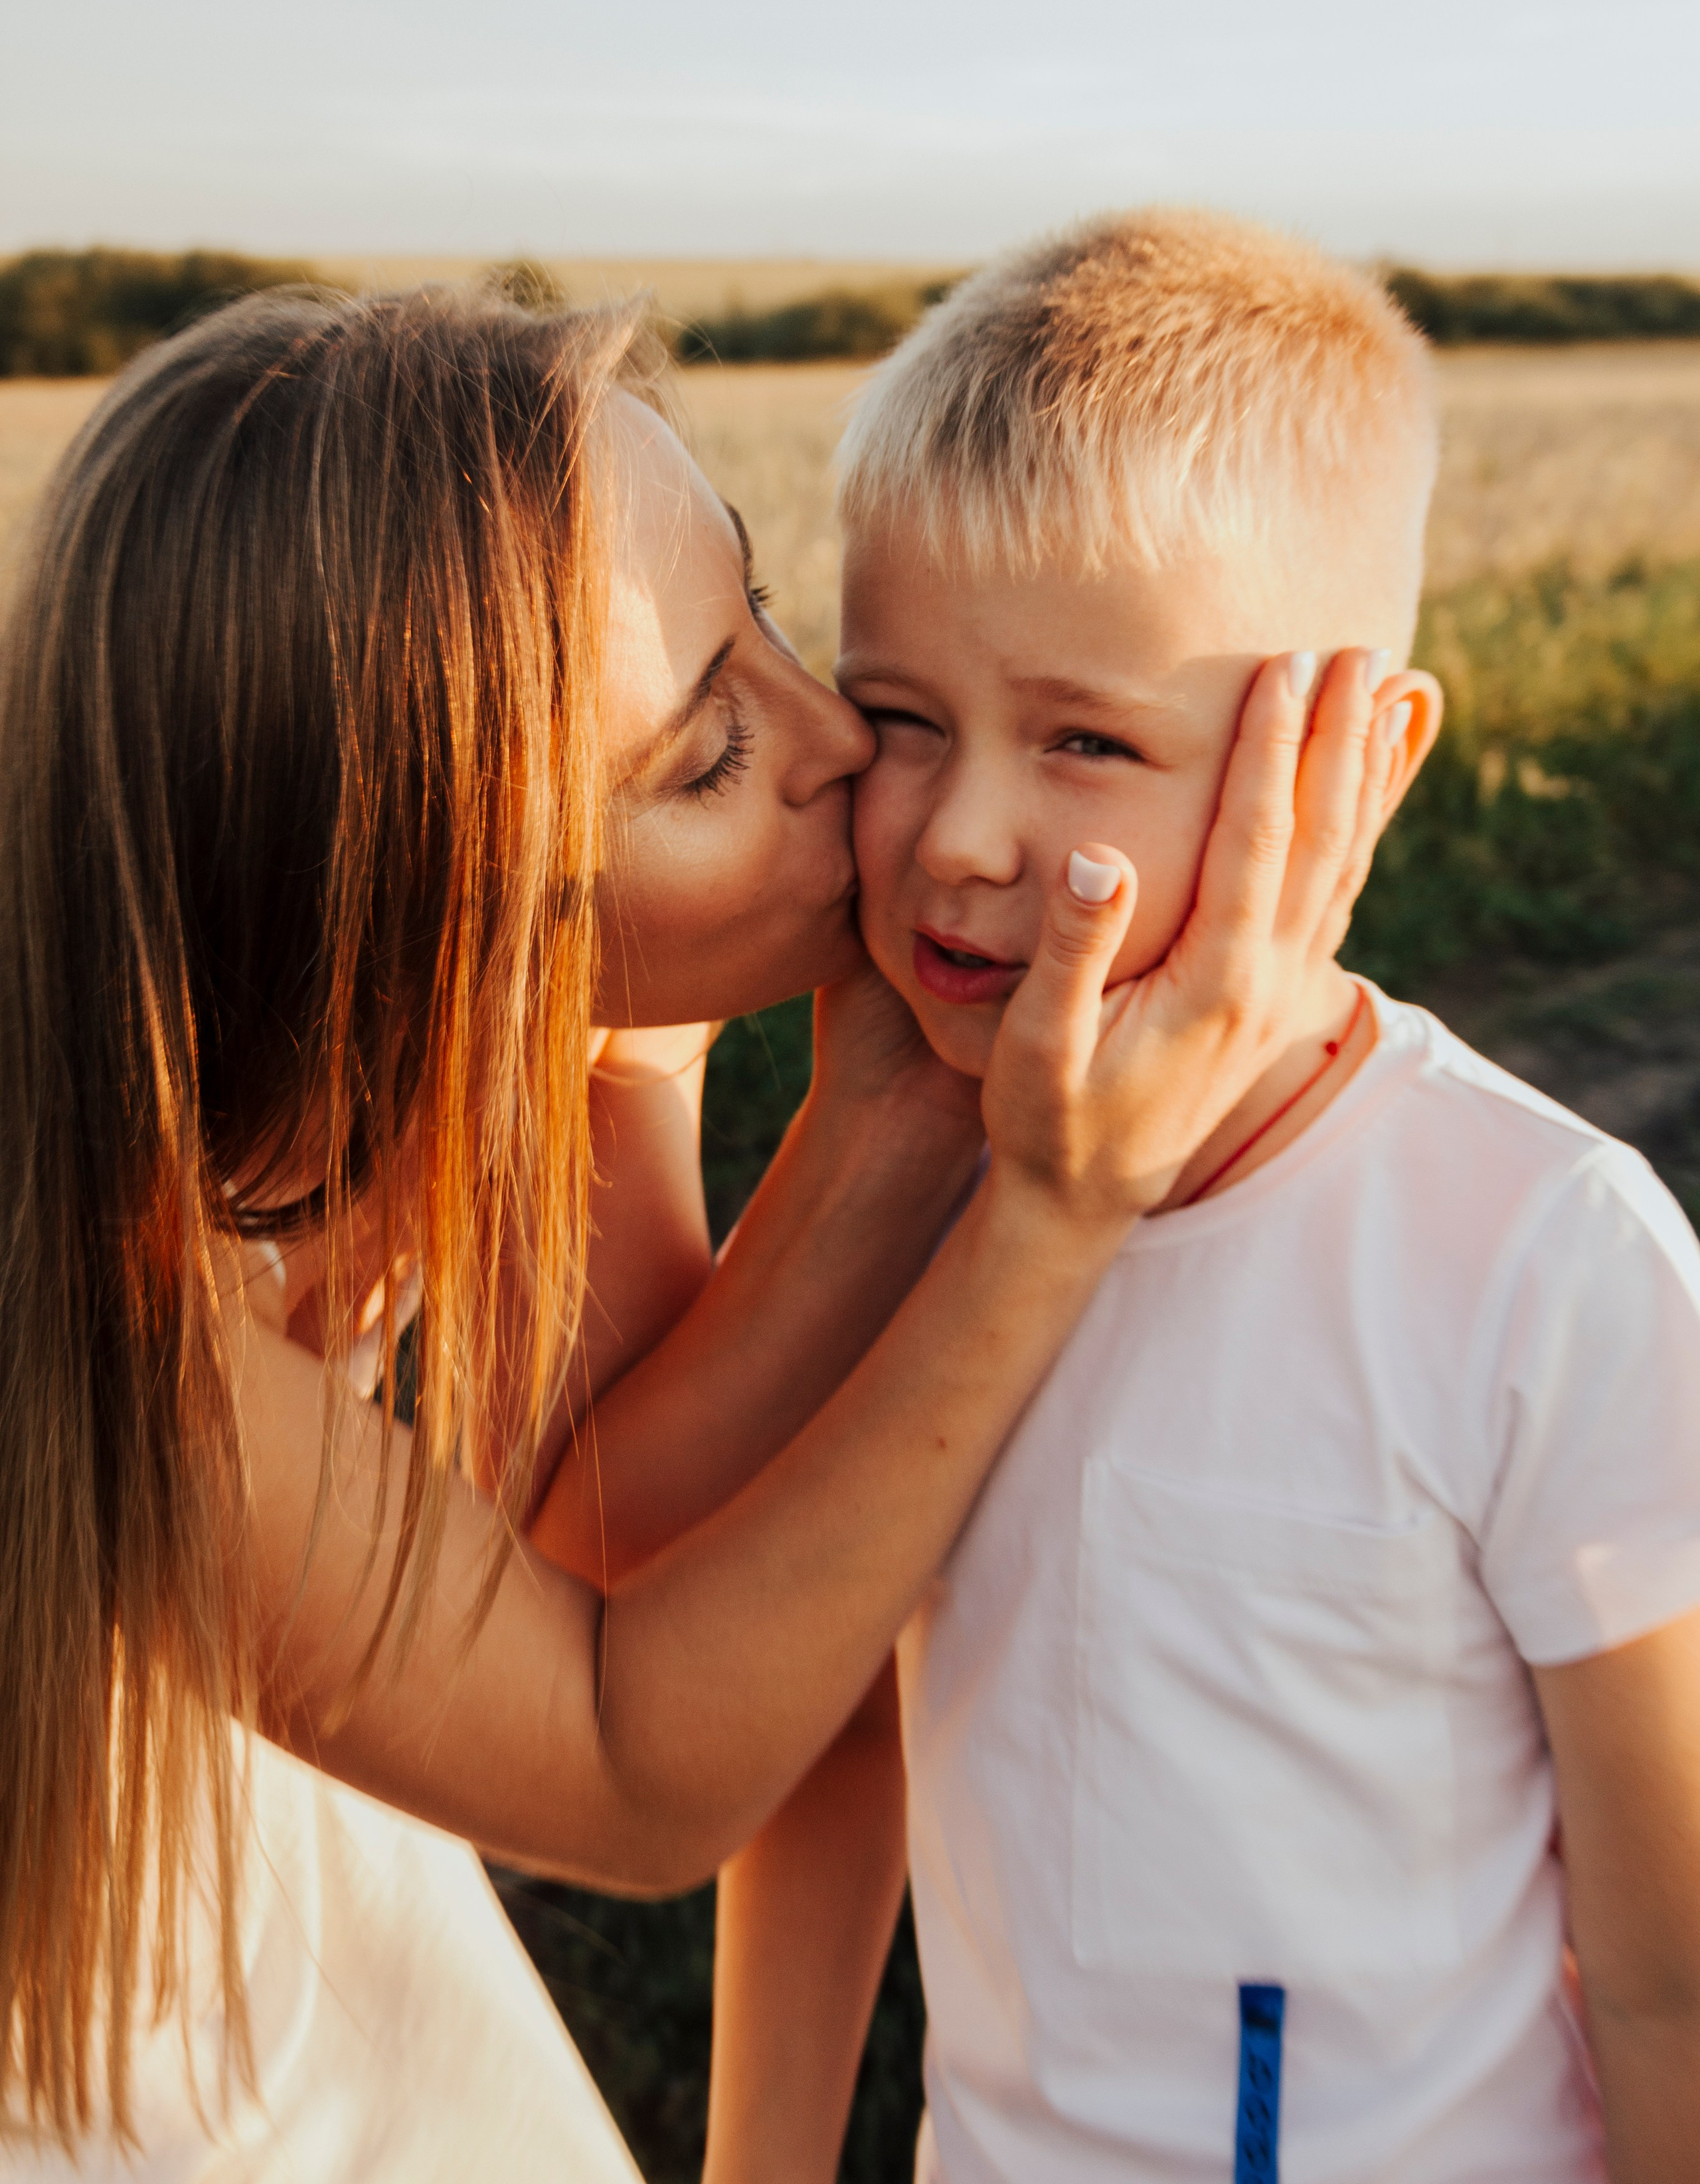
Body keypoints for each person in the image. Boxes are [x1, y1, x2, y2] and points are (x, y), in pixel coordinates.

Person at [0, 283, 1384, 2177]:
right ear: (419, 926)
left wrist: (893, 1107)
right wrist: (1053, 1211)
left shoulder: (505, 1020)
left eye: (767, 618)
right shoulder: (98, 1327)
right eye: (710, 757)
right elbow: (631, 1765)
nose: (843, 744)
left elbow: (630, 1526)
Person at [705, 212, 1700, 2184]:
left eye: (1086, 738)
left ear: (1357, 766)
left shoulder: (1546, 1262)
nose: (964, 836)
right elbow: (806, 1741)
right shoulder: (874, 1221)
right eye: (902, 721)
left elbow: (1668, 1973)